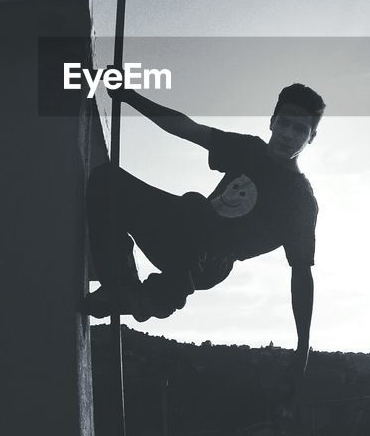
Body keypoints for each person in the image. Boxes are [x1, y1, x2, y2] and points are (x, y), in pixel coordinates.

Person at [84, 78, 324, 405]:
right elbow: (187, 129)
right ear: (272, 121)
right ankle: (122, 286)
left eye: (300, 130)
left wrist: (302, 348)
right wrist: (130, 97)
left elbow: (301, 274)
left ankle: (162, 293)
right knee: (105, 179)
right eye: (284, 123)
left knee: (197, 216)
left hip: (209, 260)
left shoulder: (300, 200)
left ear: (311, 138)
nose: (288, 135)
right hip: (179, 226)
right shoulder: (249, 150)